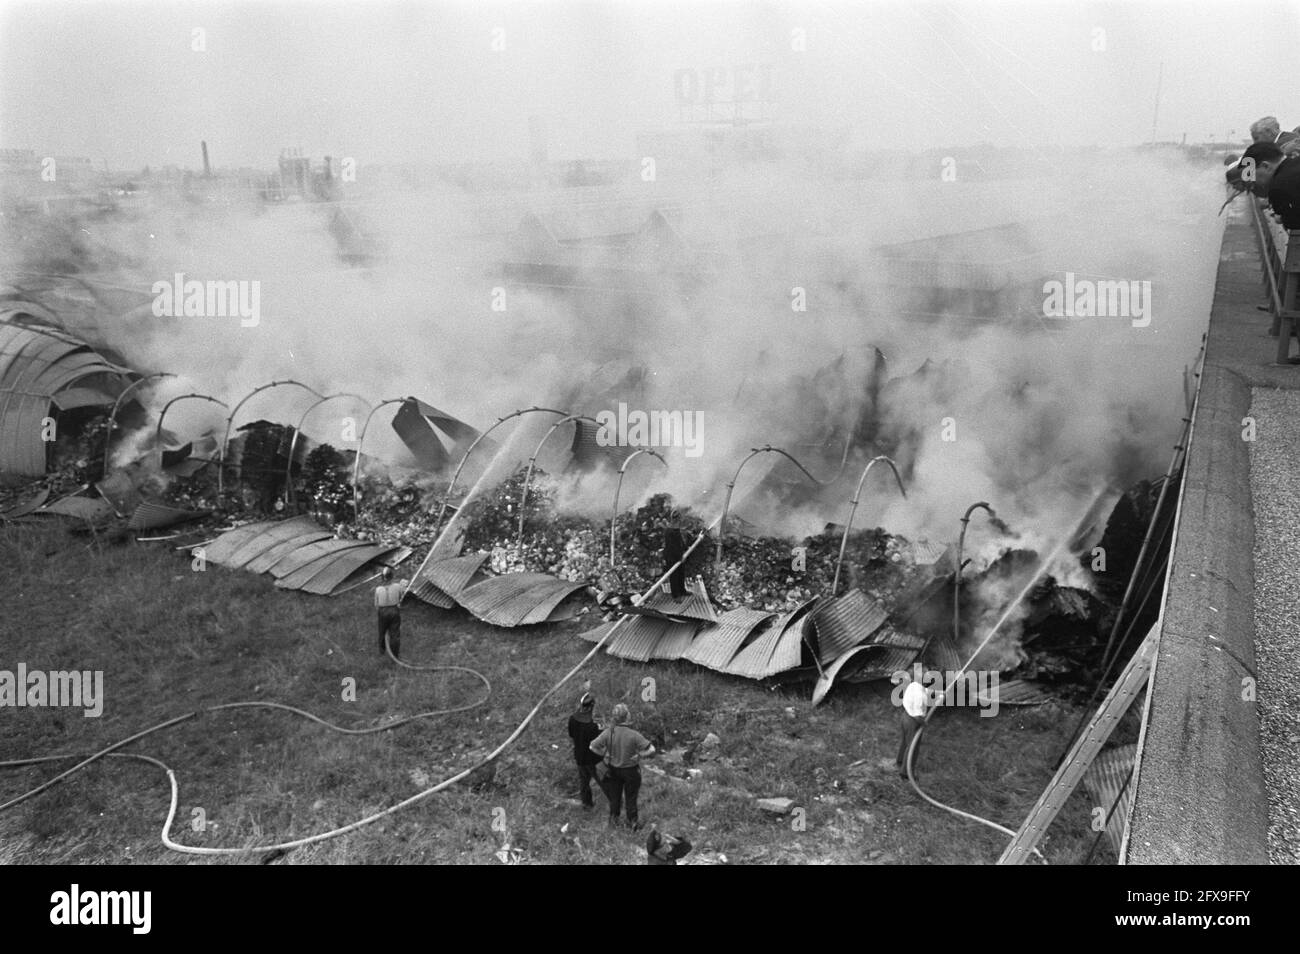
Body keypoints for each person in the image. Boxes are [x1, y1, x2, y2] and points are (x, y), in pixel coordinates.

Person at [589, 703, 655, 830]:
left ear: (614, 718)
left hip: (613, 770)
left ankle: (613, 823)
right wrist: (640, 755)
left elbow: (592, 746)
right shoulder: (633, 734)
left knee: (615, 798)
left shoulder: (608, 732)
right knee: (631, 798)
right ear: (627, 716)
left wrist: (604, 754)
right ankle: (633, 824)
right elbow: (652, 750)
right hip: (630, 771)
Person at [1240, 141, 1300, 230]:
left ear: (1265, 166)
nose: (1253, 180)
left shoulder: (1277, 188)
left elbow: (1291, 222)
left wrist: (1280, 218)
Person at [567, 692, 603, 809]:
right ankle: (615, 802)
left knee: (584, 782)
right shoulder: (592, 726)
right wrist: (600, 730)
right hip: (593, 759)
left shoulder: (572, 719)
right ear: (591, 707)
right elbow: (598, 742)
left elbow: (572, 735)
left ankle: (587, 804)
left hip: (579, 756)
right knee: (604, 780)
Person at [896, 670, 929, 779]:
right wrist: (924, 724)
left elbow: (926, 691)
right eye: (928, 675)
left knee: (905, 742)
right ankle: (905, 773)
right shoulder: (920, 695)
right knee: (913, 747)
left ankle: (900, 761)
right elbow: (918, 716)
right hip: (913, 721)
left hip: (905, 716)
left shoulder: (914, 685)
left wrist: (939, 694)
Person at [374, 567, 403, 659]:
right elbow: (400, 598)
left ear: (382, 578)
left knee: (382, 631)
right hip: (394, 611)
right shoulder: (398, 586)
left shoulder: (378, 589)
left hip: (382, 611)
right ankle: (395, 654)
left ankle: (382, 651)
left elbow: (376, 604)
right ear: (392, 576)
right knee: (394, 633)